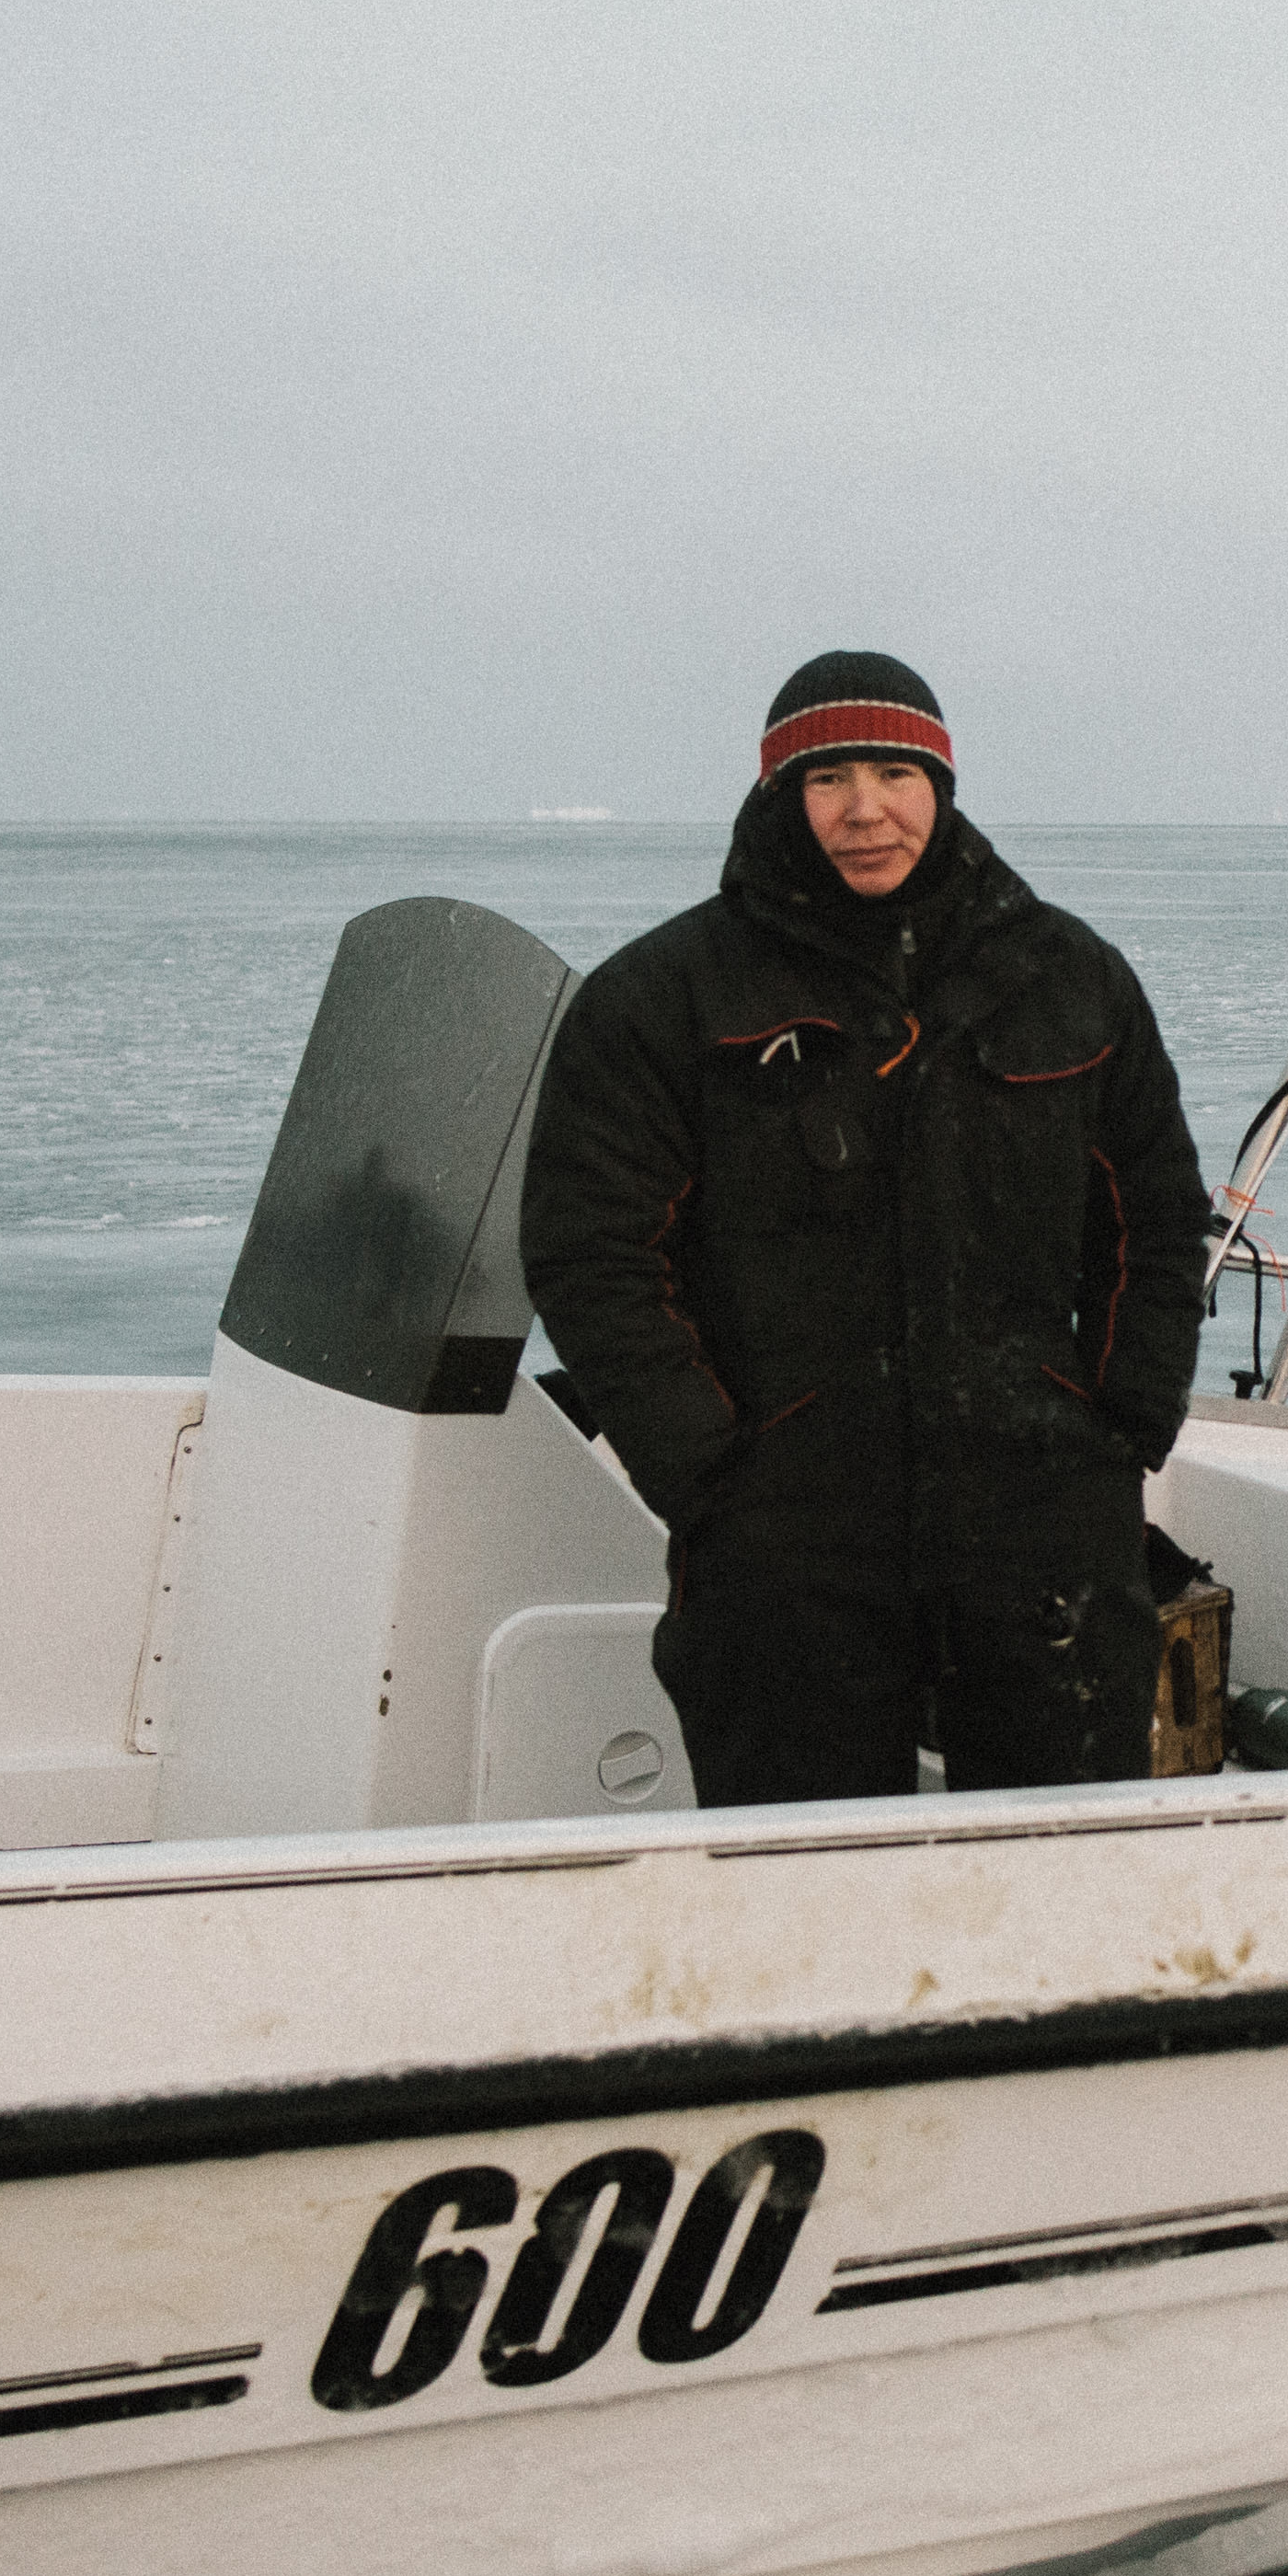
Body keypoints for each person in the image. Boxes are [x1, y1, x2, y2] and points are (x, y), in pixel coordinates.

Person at [521, 650, 1209, 1803]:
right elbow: (590, 1254)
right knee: (803, 1886)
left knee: (1067, 1865)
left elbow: (1156, 1212)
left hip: (1041, 1521)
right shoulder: (663, 996)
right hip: (785, 1536)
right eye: (826, 776)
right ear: (779, 797)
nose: (863, 809)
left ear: (941, 783)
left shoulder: (1067, 976)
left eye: (894, 770)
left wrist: (1123, 1425)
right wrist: (708, 1477)